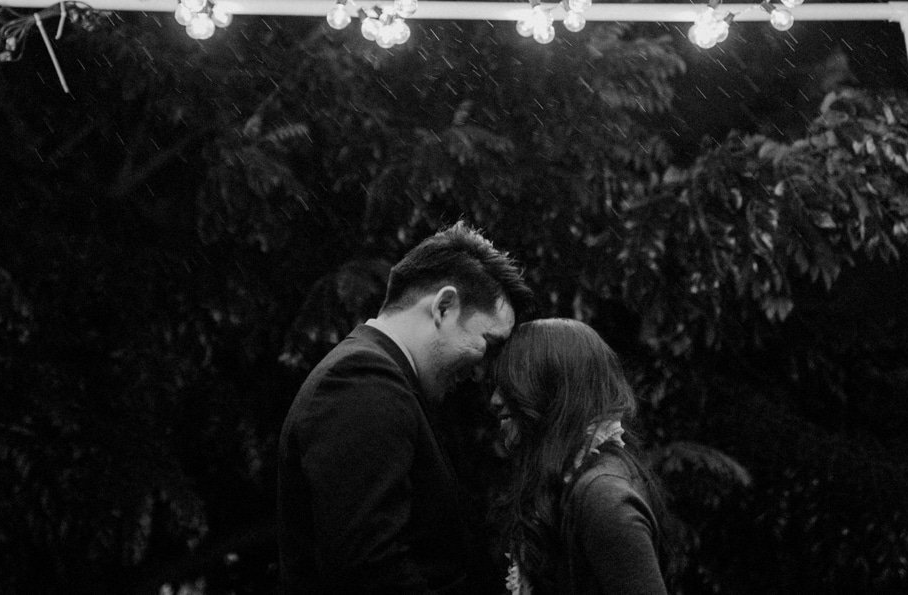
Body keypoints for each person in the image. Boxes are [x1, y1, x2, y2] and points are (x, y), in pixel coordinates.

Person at [277, 222, 533, 594]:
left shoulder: (384, 381)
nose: (481, 372)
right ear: (444, 306)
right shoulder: (361, 382)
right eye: (488, 343)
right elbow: (370, 568)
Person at [491, 319, 671, 595]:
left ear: (555, 390)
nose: (495, 400)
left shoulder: (604, 497)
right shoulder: (572, 484)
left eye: (513, 383)